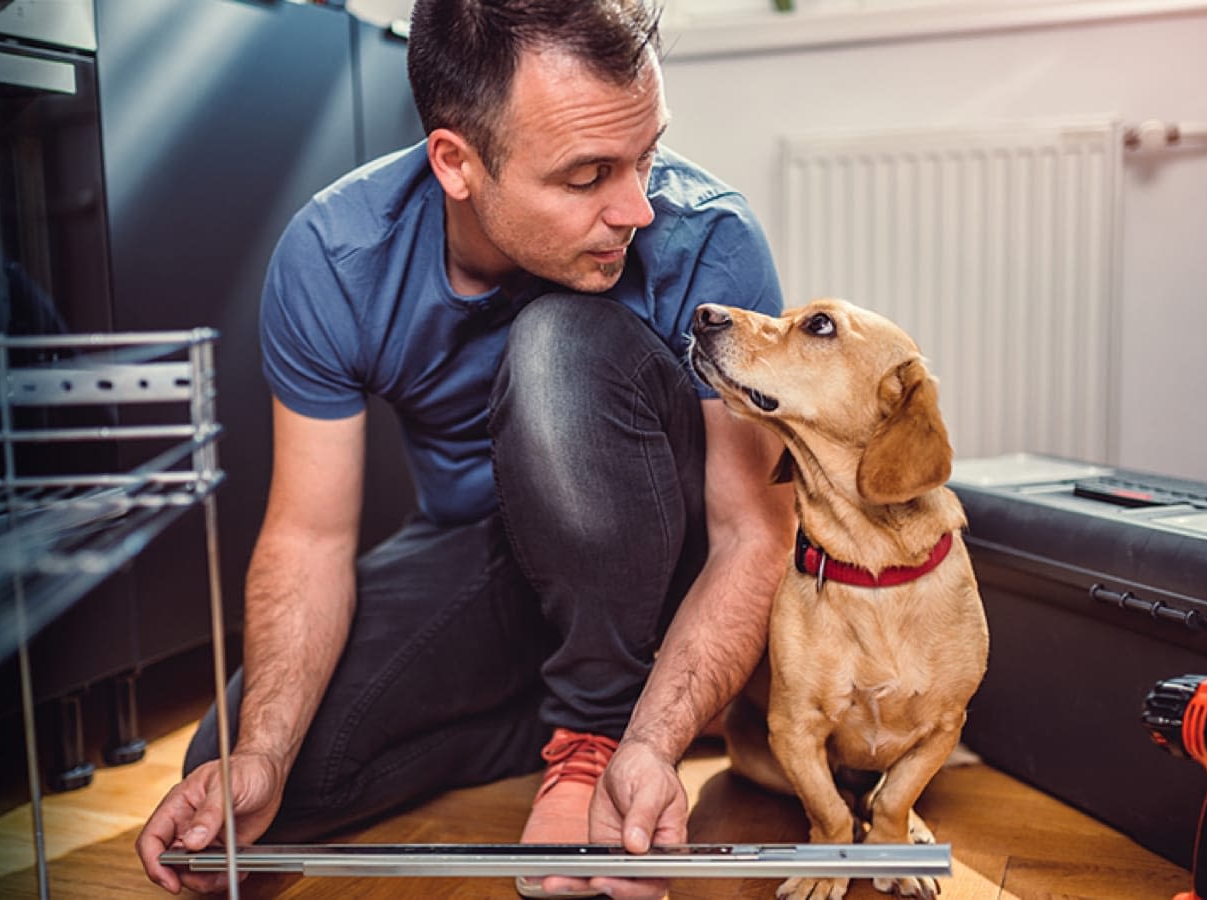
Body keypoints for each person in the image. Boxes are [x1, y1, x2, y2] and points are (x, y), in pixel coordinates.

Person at [136, 0, 796, 896]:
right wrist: (265, 750)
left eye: (646, 155)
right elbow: (308, 538)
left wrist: (647, 741)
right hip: (489, 561)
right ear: (456, 162)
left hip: (664, 565)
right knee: (254, 778)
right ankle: (565, 713)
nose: (636, 207)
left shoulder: (708, 237)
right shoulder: (336, 256)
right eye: (587, 175)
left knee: (556, 343)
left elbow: (754, 533)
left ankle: (598, 733)